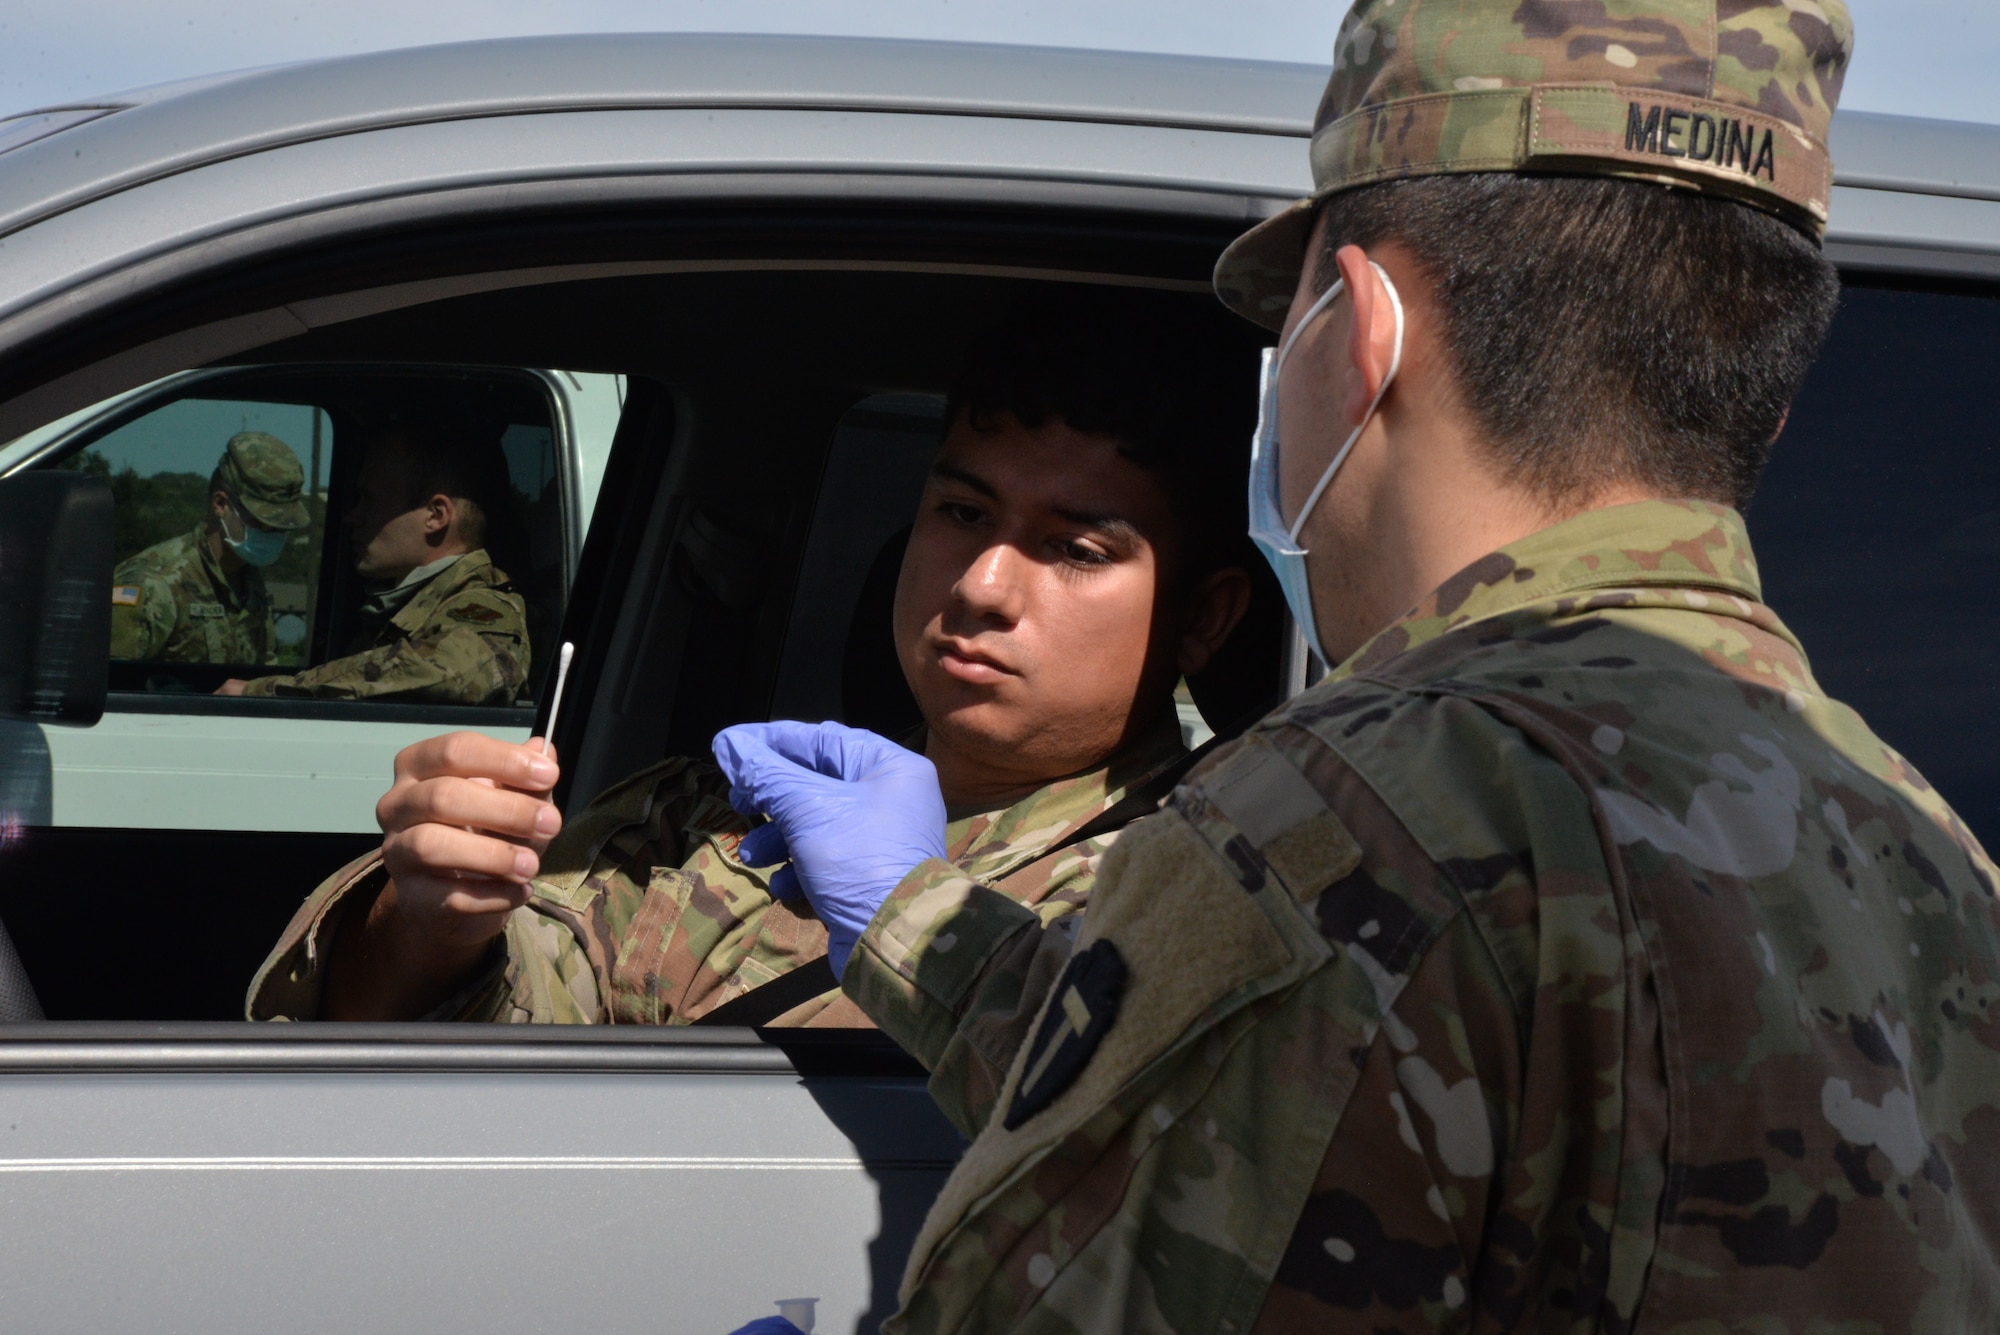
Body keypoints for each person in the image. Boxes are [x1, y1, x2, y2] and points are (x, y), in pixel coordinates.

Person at [717, 2, 2000, 1329]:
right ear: (1767, 403)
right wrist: (929, 923)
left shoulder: (1352, 826)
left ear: (1357, 329)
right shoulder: (1928, 852)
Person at [246, 298, 1259, 1039]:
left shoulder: (1212, 891)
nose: (984, 584)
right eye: (961, 513)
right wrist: (427, 920)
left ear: (1201, 618)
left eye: (1077, 550)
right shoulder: (713, 812)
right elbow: (446, 1048)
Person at [219, 420, 530, 705]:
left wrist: (267, 691)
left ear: (436, 516)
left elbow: (460, 671)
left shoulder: (483, 606)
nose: (352, 517)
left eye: (369, 500)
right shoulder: (399, 608)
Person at [108, 431, 310, 665]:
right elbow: (111, 689)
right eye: (264, 523)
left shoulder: (249, 580)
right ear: (220, 505)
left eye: (283, 526)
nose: (275, 535)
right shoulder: (155, 584)